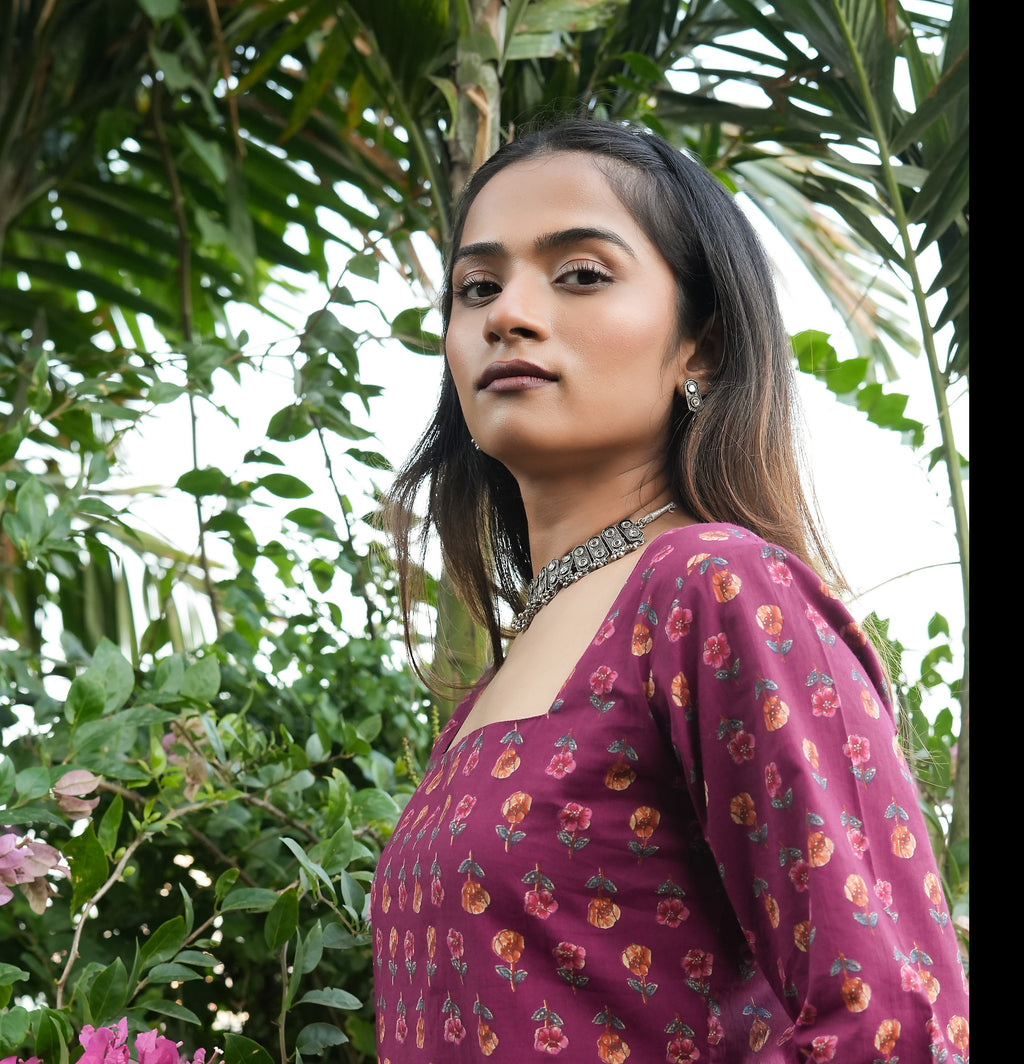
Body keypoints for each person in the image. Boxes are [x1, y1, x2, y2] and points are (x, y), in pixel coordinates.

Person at [372, 119, 969, 1063]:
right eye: (476, 286)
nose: (507, 313)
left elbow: (892, 1020)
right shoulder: (506, 674)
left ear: (703, 344)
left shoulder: (713, 589)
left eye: (580, 274)